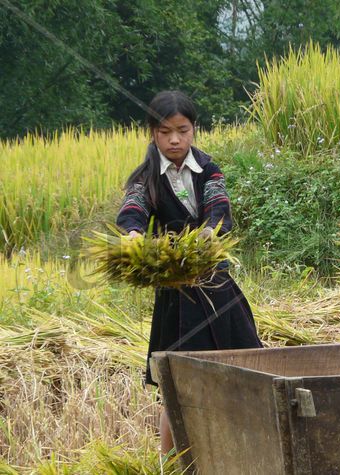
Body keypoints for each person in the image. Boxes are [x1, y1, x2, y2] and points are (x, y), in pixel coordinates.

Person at [116, 90, 263, 455]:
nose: (175, 139)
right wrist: (134, 235)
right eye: (165, 132)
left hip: (217, 289)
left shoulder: (209, 169)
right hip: (176, 298)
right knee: (176, 389)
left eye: (182, 130)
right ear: (153, 133)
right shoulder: (146, 178)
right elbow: (132, 211)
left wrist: (208, 235)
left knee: (244, 372)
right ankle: (173, 462)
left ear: (194, 129)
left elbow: (219, 207)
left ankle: (242, 455)